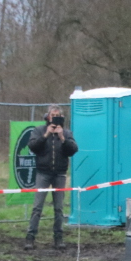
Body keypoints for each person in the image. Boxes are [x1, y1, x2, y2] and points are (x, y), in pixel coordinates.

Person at [25, 105, 78, 250]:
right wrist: (46, 135)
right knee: (37, 207)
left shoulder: (67, 133)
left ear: (61, 117)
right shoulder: (39, 130)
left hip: (59, 174)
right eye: (52, 115)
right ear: (47, 116)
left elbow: (73, 150)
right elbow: (33, 147)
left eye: (57, 115)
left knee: (59, 208)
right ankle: (30, 237)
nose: (54, 117)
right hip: (43, 173)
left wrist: (62, 137)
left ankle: (58, 238)